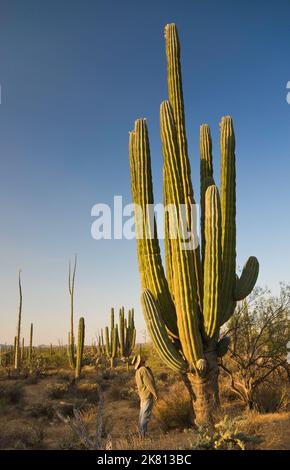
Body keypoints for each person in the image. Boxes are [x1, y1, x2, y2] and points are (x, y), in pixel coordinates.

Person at [131, 354, 158, 438]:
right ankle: (142, 435)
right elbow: (148, 383)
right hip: (147, 395)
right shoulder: (143, 369)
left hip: (142, 396)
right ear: (140, 362)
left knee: (142, 415)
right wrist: (155, 393)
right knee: (145, 416)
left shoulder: (137, 371)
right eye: (142, 359)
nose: (143, 359)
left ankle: (141, 433)